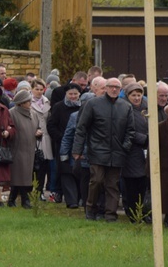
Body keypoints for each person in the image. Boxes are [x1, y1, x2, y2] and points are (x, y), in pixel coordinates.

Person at [72, 77, 134, 222]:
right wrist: (77, 150)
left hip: (117, 152)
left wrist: (125, 147)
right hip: (97, 150)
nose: (114, 89)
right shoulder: (93, 104)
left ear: (121, 90)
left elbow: (130, 130)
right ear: (105, 88)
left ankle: (110, 214)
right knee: (97, 181)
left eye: (117, 87)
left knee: (113, 185)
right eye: (111, 86)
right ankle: (91, 209)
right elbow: (81, 128)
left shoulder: (126, 106)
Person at [48, 83, 83, 207]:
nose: (73, 96)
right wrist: (61, 137)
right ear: (66, 94)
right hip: (64, 144)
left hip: (80, 145)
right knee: (66, 172)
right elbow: (51, 125)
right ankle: (71, 201)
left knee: (79, 171)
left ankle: (80, 198)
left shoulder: (83, 107)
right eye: (70, 94)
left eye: (75, 94)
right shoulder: (59, 107)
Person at [8, 89, 42, 208]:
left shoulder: (34, 114)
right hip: (17, 148)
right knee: (19, 174)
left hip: (30, 149)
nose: (30, 103)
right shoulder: (12, 113)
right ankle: (24, 199)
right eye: (28, 101)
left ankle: (14, 199)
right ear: (21, 102)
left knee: (25, 175)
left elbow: (38, 127)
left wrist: (39, 133)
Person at [122, 82, 149, 221]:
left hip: (146, 151)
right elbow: (126, 130)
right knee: (132, 185)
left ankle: (144, 212)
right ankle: (132, 212)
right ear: (128, 96)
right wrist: (145, 139)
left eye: (139, 95)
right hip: (132, 151)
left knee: (144, 185)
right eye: (134, 95)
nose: (137, 98)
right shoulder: (124, 109)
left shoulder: (147, 108)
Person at [30, 78, 53, 201]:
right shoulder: (27, 101)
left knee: (43, 165)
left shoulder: (47, 101)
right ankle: (29, 190)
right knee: (32, 165)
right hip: (32, 137)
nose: (39, 92)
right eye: (36, 89)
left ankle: (39, 192)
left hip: (45, 137)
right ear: (31, 89)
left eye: (41, 89)